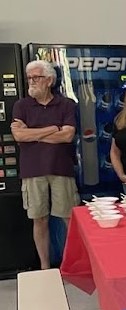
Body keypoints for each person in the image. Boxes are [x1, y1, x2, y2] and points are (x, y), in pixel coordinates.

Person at [11, 60, 78, 270]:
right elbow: (18, 135)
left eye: (36, 77)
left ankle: (71, 264)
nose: (31, 81)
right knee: (38, 219)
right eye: (29, 77)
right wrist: (52, 128)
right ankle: (45, 267)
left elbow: (67, 136)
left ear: (49, 80)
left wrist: (33, 134)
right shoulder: (21, 105)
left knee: (69, 218)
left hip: (61, 168)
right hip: (32, 170)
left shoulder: (66, 104)